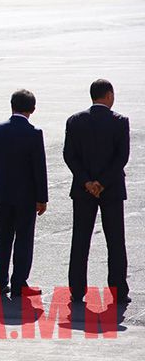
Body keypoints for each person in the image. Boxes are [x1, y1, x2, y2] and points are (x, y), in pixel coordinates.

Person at [64, 79, 130, 304]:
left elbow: (69, 155)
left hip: (83, 191)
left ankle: (77, 289)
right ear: (109, 95)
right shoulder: (119, 121)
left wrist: (87, 182)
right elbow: (121, 157)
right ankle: (119, 291)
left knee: (80, 240)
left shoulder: (75, 121)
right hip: (111, 190)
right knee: (115, 241)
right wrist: (102, 183)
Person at [0, 89, 48, 298]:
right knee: (23, 240)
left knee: (2, 239)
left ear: (12, 105)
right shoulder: (34, 133)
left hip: (2, 194)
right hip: (26, 197)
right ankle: (19, 283)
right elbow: (39, 168)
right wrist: (42, 198)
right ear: (33, 108)